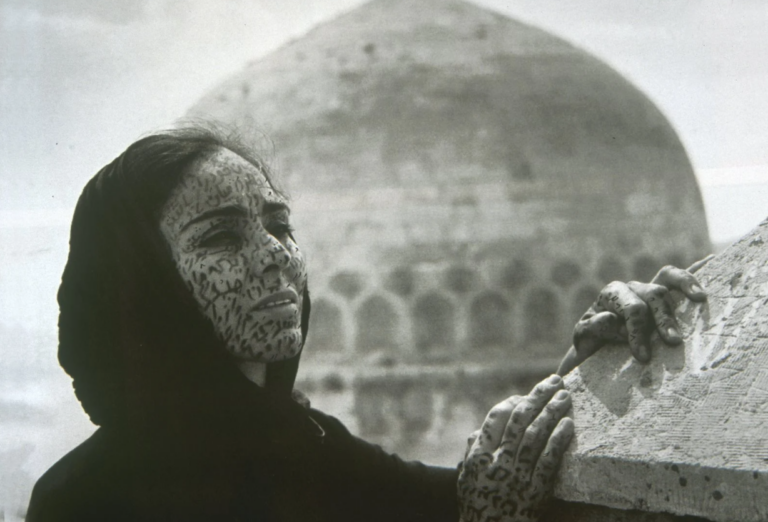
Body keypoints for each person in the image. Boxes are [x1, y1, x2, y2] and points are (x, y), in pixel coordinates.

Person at [26, 124, 707, 522]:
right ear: (145, 286)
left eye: (279, 224)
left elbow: (461, 494)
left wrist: (595, 361)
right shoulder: (92, 500)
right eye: (221, 238)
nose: (274, 259)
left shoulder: (300, 443)